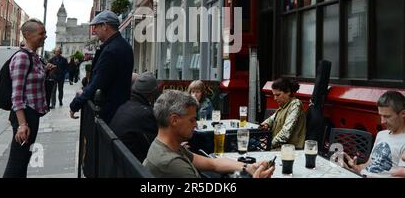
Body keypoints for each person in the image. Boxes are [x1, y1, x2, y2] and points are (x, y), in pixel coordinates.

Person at [143, 89, 275, 178]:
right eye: (192, 119)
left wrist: (248, 167)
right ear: (174, 120)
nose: (195, 125)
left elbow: (213, 163)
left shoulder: (168, 147)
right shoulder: (173, 164)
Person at [3, 19, 55, 178]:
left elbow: (31, 84)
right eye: (42, 33)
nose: (45, 36)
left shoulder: (34, 57)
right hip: (25, 117)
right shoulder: (23, 58)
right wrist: (22, 125)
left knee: (23, 160)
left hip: (32, 115)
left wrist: (45, 72)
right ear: (28, 34)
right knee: (16, 165)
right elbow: (17, 95)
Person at [69, 10, 134, 123]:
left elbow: (98, 83)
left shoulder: (111, 50)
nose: (94, 30)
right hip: (120, 109)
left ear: (104, 26)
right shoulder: (124, 45)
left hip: (109, 111)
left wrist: (76, 104)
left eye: (96, 26)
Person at [344, 90, 405, 177]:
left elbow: (400, 175)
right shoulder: (381, 134)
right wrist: (356, 168)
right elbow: (369, 164)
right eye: (381, 115)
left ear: (403, 113)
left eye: (387, 116)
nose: (382, 121)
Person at [109, 72, 159, 162]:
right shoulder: (145, 114)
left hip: (117, 161)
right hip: (130, 167)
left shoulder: (124, 106)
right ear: (151, 95)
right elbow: (156, 148)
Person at [260, 77, 306, 150]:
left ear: (288, 92)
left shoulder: (295, 104)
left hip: (291, 151)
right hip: (279, 149)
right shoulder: (283, 106)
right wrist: (266, 124)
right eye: (274, 95)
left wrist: (269, 145)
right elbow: (272, 118)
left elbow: (285, 133)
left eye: (278, 95)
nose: (275, 98)